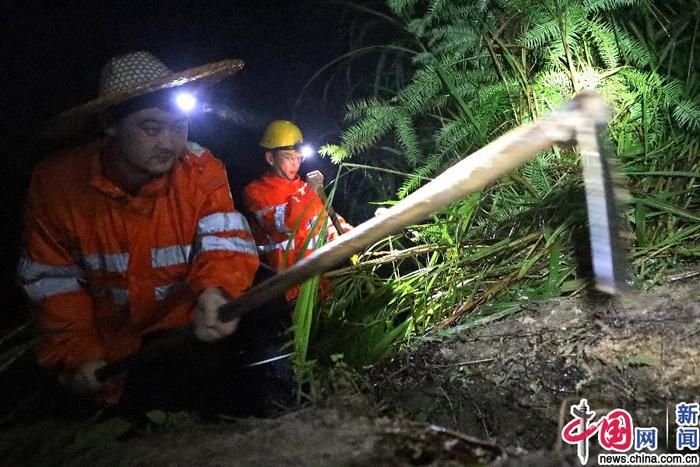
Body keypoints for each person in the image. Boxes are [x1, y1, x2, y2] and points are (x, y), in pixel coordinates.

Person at [17, 51, 292, 417]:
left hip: (189, 325)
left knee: (264, 293)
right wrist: (78, 356)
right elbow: (52, 282)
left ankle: (283, 409)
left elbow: (224, 242)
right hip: (113, 348)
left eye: (179, 125)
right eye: (151, 128)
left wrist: (217, 292)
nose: (169, 142)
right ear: (109, 124)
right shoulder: (57, 184)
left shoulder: (201, 170)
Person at [242, 120, 352, 302]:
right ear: (270, 158)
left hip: (318, 286)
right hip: (282, 292)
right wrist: (310, 192)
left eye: (299, 158)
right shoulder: (255, 193)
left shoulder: (306, 190)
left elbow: (330, 224)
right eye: (289, 157)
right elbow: (283, 224)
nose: (296, 164)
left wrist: (357, 239)